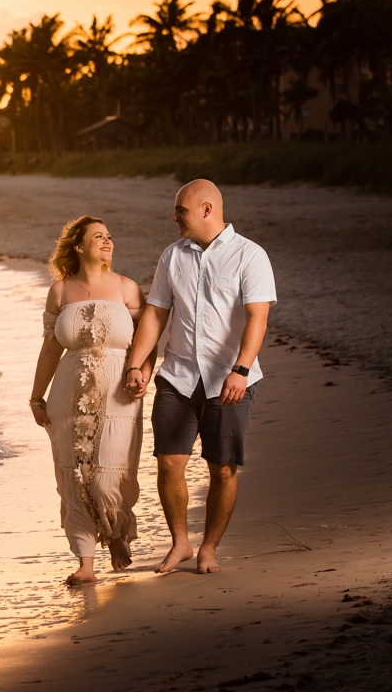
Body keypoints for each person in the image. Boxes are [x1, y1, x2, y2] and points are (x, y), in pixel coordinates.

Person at [124, 179, 276, 574]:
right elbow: (156, 314)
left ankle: (209, 547)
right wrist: (136, 365)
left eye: (181, 211)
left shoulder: (250, 256)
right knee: (168, 464)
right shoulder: (172, 257)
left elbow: (258, 318)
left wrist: (240, 370)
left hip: (229, 380)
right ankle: (180, 544)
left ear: (207, 209)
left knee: (222, 468)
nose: (174, 217)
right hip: (177, 377)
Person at [29, 216, 155, 585]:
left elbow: (146, 340)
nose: (107, 241)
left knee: (108, 475)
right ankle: (85, 561)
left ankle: (116, 533)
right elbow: (51, 348)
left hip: (119, 392)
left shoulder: (127, 289)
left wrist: (142, 373)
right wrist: (37, 396)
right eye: (97, 237)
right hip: (69, 394)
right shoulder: (60, 291)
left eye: (109, 236)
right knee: (74, 475)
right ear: (79, 247)